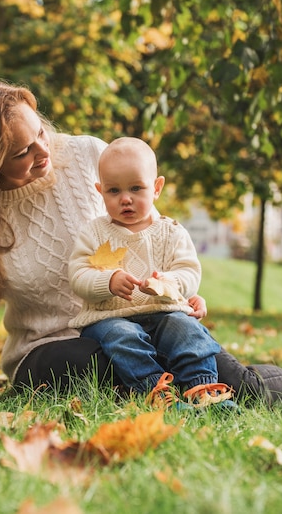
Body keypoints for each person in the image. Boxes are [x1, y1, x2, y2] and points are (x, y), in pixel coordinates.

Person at [0, 79, 282, 408]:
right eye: (22, 151)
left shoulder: (86, 156)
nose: (43, 149)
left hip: (139, 323)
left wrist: (176, 288)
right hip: (50, 349)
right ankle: (164, 395)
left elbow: (151, 233)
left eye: (41, 132)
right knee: (104, 364)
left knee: (223, 373)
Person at [67, 137, 235, 408]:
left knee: (188, 330)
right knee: (123, 337)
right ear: (100, 191)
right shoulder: (94, 232)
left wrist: (168, 283)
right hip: (108, 317)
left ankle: (203, 388)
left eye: (136, 188)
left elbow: (189, 272)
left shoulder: (172, 231)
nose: (125, 199)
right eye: (113, 191)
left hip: (164, 313)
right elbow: (77, 275)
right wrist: (107, 281)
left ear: (156, 188)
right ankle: (156, 390)